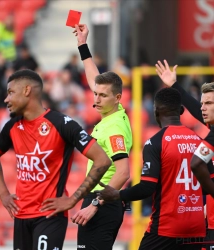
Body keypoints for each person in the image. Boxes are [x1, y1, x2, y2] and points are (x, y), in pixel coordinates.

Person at [0, 69, 112, 250]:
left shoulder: (61, 123)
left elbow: (102, 160)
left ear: (27, 91)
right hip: (21, 216)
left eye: (11, 92)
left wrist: (73, 199)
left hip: (49, 216)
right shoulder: (12, 126)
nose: (6, 99)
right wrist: (3, 194)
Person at [95, 87, 213, 250]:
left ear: (156, 111)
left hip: (166, 228)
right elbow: (209, 186)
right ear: (181, 110)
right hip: (196, 228)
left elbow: (147, 188)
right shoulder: (200, 142)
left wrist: (117, 194)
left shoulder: (155, 142)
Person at [62, 24, 133, 250]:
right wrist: (82, 44)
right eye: (95, 94)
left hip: (103, 201)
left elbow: (123, 172)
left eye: (102, 96)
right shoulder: (114, 111)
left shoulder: (114, 128)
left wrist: (95, 204)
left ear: (118, 97)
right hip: (103, 200)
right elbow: (95, 78)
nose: (97, 99)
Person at [155, 60, 214, 250]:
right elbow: (197, 109)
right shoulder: (209, 125)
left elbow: (196, 163)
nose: (203, 107)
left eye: (209, 103)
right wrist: (174, 85)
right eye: (203, 103)